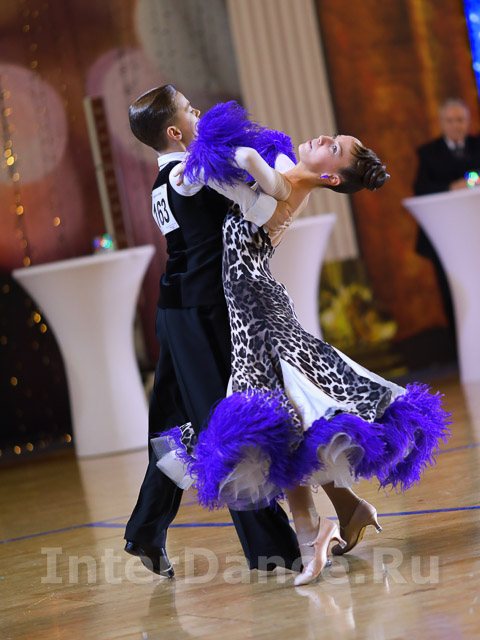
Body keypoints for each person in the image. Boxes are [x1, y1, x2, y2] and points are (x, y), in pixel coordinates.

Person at [154, 101, 451, 586]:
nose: (324, 138)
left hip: (258, 314)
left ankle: (316, 532)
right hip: (253, 310)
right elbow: (248, 169)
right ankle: (339, 516)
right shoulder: (287, 170)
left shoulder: (287, 187)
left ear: (332, 176)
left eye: (334, 147)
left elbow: (248, 173)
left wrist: (210, 157)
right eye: (333, 136)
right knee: (283, 424)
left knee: (280, 422)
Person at [124, 86, 303, 578]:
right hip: (202, 314)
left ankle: (145, 530)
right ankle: (273, 550)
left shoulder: (164, 180)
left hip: (176, 311)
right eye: (189, 108)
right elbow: (263, 210)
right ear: (175, 131)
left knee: (176, 426)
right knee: (228, 424)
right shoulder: (192, 171)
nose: (198, 110)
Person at [413, 98, 480, 355]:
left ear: (468, 121)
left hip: (474, 231)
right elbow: (421, 189)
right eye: (450, 121)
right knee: (453, 291)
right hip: (446, 239)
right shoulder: (429, 153)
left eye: (460, 120)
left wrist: (471, 181)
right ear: (442, 123)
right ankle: (463, 349)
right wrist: (451, 187)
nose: (456, 125)